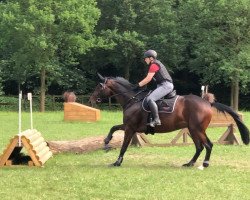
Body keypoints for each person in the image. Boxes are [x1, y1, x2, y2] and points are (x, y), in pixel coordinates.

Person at [135, 49, 174, 127]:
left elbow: (148, 78)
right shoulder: (155, 64)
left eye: (146, 58)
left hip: (165, 85)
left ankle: (156, 120)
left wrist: (137, 85)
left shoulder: (154, 65)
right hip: (162, 85)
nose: (144, 59)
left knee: (150, 99)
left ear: (151, 58)